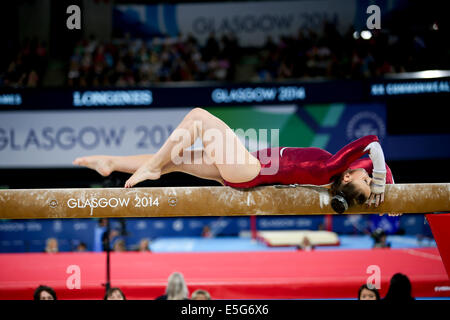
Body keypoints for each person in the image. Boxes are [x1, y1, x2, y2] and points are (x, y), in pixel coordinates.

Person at [74, 108, 394, 214]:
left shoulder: (331, 167)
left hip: (249, 169)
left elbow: (371, 144)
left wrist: (378, 180)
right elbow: (373, 162)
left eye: (366, 179)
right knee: (178, 158)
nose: (367, 174)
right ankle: (111, 163)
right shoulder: (341, 171)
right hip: (245, 168)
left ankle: (153, 168)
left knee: (198, 118)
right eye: (368, 177)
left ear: (349, 180)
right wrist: (386, 184)